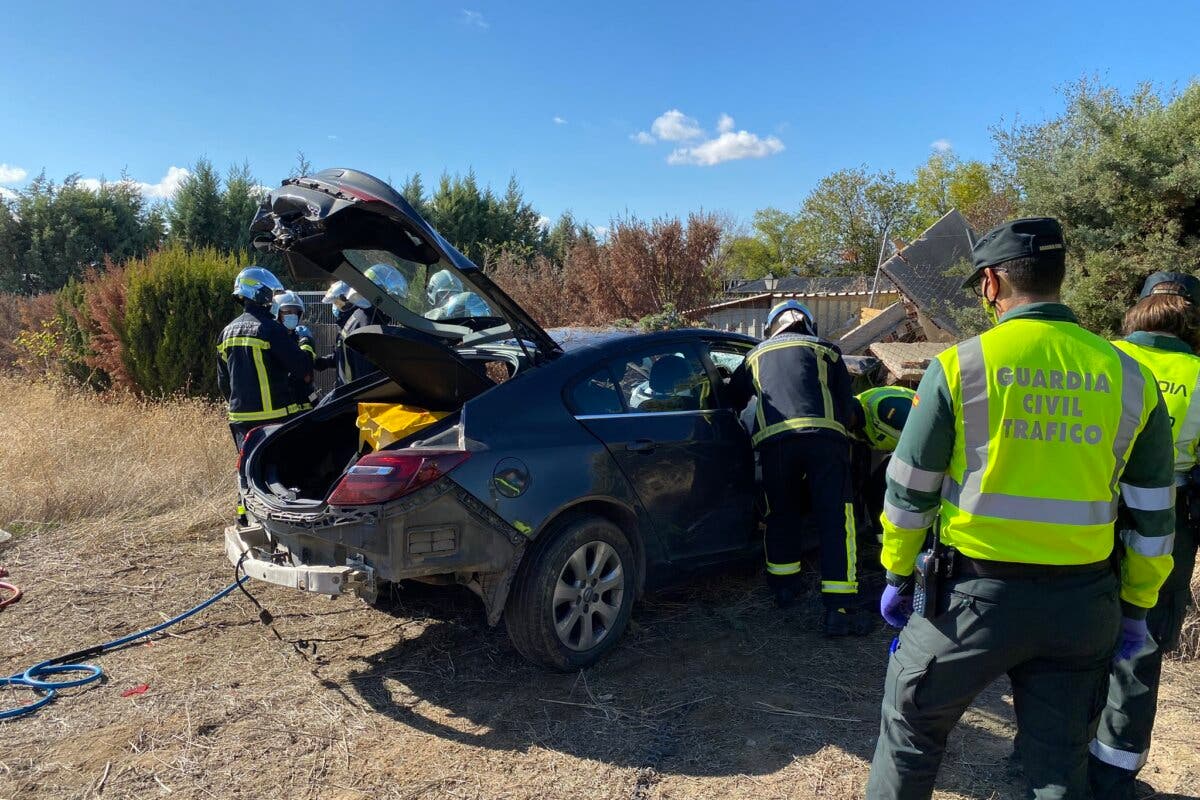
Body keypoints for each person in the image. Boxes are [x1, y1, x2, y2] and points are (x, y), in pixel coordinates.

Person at [866, 218, 1176, 800]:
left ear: (990, 284)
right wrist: (1137, 605)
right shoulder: (1131, 377)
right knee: (1059, 766)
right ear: (1060, 279)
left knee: (911, 733)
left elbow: (909, 492)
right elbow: (1154, 514)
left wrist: (897, 573)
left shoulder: (959, 367)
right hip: (1083, 607)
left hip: (970, 603)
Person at [1090, 272, 1200, 799]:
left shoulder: (1099, 357)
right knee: (1143, 638)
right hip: (1168, 519)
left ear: (1137, 310)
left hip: (1092, 512)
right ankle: (1112, 771)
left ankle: (1047, 747)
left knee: (1072, 634)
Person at [727, 299, 871, 636]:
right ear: (808, 324)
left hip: (775, 443)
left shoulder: (755, 355)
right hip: (825, 442)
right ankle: (839, 609)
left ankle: (784, 589)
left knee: (781, 513)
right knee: (836, 519)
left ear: (772, 327)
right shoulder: (828, 351)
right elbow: (847, 408)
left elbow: (732, 399)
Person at [217, 267, 315, 449]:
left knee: (248, 470)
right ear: (260, 293)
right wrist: (307, 342)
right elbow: (302, 368)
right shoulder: (271, 329)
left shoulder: (226, 332)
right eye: (272, 293)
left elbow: (223, 381)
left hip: (240, 420)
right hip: (273, 420)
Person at [848, 386, 917, 541]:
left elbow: (924, 432)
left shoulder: (884, 407)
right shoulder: (850, 425)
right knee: (871, 489)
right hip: (902, 450)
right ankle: (882, 541)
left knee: (892, 488)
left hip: (922, 449)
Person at [336, 264, 407, 386]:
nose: (395, 305)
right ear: (379, 296)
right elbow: (370, 380)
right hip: (362, 402)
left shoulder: (358, 317)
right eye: (394, 299)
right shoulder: (369, 327)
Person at [272, 290, 334, 376]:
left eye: (296, 312)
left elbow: (308, 364)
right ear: (277, 313)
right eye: (288, 312)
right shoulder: (271, 337)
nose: (293, 315)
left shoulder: (300, 336)